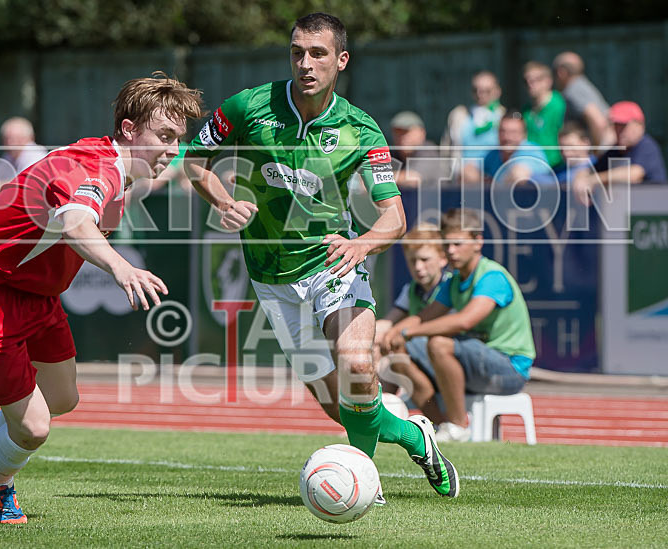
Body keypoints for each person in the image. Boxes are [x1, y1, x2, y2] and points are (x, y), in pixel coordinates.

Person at [184, 12, 459, 499]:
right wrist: (224, 202)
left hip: (333, 264)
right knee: (342, 408)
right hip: (270, 277)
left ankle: (361, 486)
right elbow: (194, 161)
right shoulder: (248, 107)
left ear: (341, 60)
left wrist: (361, 243)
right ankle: (415, 435)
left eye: (318, 53)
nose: (305, 63)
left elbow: (393, 217)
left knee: (357, 365)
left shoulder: (360, 130)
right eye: (297, 52)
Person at [0, 73, 204, 523]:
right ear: (128, 129)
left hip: (35, 295)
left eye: (177, 139)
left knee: (62, 398)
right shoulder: (95, 167)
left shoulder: (119, 167)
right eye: (164, 136)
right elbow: (77, 221)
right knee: (35, 427)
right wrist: (121, 267)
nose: (170, 148)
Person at [382, 208, 536, 442]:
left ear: (478, 242)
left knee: (440, 344)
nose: (451, 251)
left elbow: (465, 320)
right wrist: (392, 335)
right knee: (398, 353)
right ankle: (440, 426)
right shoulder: (454, 281)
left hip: (510, 368)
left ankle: (458, 426)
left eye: (457, 243)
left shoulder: (492, 276)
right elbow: (425, 316)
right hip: (477, 364)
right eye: (447, 244)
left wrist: (406, 331)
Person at [375, 224, 450, 395]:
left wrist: (391, 335)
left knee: (392, 355)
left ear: (443, 258)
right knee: (374, 344)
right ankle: (379, 408)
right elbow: (389, 321)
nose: (418, 267)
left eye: (424, 260)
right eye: (412, 260)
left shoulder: (450, 286)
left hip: (445, 357)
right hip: (424, 355)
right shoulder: (411, 289)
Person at [573, 101, 667, 205]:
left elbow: (634, 174)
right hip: (625, 213)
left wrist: (593, 179)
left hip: (652, 213)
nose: (619, 130)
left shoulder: (647, 146)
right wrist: (581, 178)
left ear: (640, 125)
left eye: (624, 125)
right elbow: (590, 170)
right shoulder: (615, 150)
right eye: (616, 125)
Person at [442, 71, 505, 184]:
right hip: (463, 178)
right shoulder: (459, 116)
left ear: (497, 91)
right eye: (476, 90)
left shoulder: (503, 117)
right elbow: (446, 150)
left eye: (487, 90)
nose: (480, 94)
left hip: (495, 177)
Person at [552, 51, 615, 148]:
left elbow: (598, 121)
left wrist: (596, 151)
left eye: (554, 73)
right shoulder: (581, 85)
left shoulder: (573, 90)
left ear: (561, 72)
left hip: (603, 147)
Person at [483, 112, 550, 184]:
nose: (507, 137)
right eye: (503, 131)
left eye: (513, 132)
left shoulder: (532, 152)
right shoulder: (492, 155)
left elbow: (518, 174)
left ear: (524, 135)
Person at [389, 111, 451, 188]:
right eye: (398, 132)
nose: (402, 137)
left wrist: (379, 178)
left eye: (407, 132)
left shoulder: (428, 151)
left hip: (435, 199)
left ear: (422, 133)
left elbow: (413, 179)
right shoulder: (393, 154)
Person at [522, 61, 566, 168]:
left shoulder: (560, 105)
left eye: (535, 80)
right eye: (526, 81)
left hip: (557, 166)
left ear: (548, 81)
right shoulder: (526, 111)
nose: (530, 84)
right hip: (532, 165)